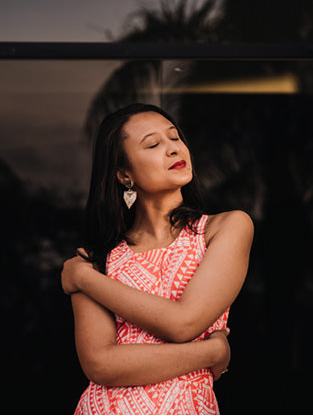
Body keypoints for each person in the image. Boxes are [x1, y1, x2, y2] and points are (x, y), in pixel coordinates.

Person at [61, 103, 254, 415]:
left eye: (175, 138)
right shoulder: (100, 258)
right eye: (153, 144)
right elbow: (99, 364)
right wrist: (212, 351)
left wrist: (83, 279)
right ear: (125, 175)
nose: (172, 148)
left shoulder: (225, 228)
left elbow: (183, 322)